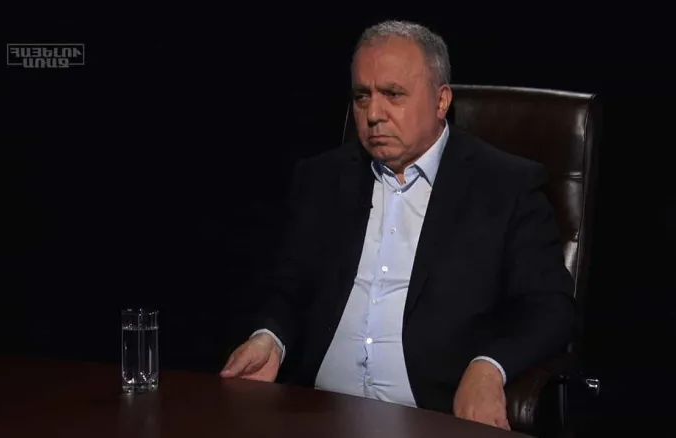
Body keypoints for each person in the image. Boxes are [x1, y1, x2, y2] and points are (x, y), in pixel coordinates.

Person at [220, 20, 575, 431]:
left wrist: (489, 366)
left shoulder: (505, 187)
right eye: (362, 96)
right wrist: (270, 338)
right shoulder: (322, 179)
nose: (373, 114)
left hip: (430, 417)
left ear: (441, 101)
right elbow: (289, 286)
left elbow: (550, 307)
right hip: (316, 413)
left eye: (393, 94)